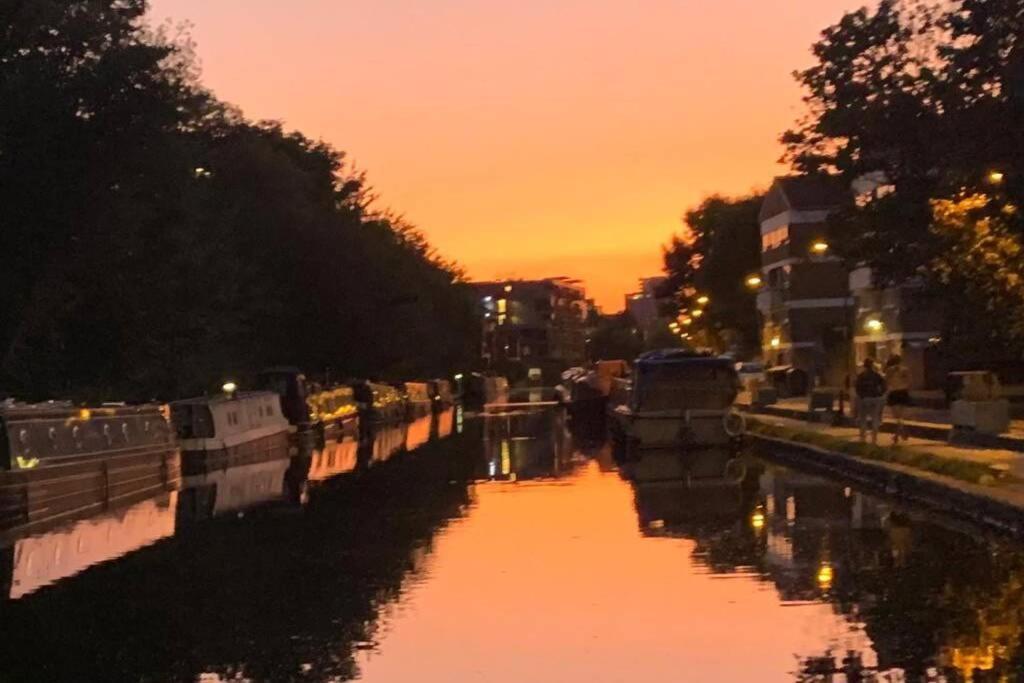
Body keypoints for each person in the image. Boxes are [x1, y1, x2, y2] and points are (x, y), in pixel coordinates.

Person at [854, 358, 887, 444]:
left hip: (864, 399)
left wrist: (861, 396)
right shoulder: (877, 375)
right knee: (875, 418)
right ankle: (874, 439)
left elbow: (857, 388)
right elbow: (884, 386)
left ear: (864, 366)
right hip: (875, 398)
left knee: (863, 419)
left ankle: (863, 438)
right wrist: (880, 394)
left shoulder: (861, 376)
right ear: (872, 365)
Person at [885, 355, 912, 444]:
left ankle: (901, 431)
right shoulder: (905, 370)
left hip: (894, 392)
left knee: (897, 416)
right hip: (903, 392)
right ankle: (898, 434)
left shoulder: (889, 371)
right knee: (901, 415)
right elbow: (909, 381)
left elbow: (887, 382)